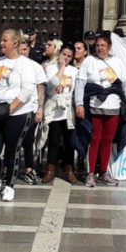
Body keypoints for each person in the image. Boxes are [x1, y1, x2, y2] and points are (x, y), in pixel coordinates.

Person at [0, 28, 39, 202]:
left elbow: (28, 88)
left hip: (18, 113)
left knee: (12, 150)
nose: (1, 43)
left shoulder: (24, 64)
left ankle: (8, 185)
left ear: (14, 43)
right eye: (1, 40)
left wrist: (11, 108)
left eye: (5, 40)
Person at [73, 31, 126, 187]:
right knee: (94, 140)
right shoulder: (89, 61)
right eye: (97, 45)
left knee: (108, 141)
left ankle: (104, 172)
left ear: (109, 46)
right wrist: (79, 104)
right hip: (95, 107)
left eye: (103, 45)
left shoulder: (118, 62)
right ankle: (90, 174)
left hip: (113, 107)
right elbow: (80, 84)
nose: (100, 48)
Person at [42, 43, 77, 183]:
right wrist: (61, 67)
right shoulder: (50, 68)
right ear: (59, 53)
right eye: (64, 54)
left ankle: (69, 170)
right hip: (54, 108)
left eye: (69, 56)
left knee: (69, 142)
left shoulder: (74, 71)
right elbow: (52, 84)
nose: (66, 58)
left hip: (68, 109)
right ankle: (50, 169)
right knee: (54, 141)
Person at [17, 40, 46, 185]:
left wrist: (40, 109)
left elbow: (40, 89)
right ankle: (8, 170)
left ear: (29, 50)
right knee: (11, 143)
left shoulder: (36, 67)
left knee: (28, 142)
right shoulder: (12, 65)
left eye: (25, 49)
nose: (23, 52)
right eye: (20, 49)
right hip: (13, 110)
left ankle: (29, 170)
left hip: (30, 109)